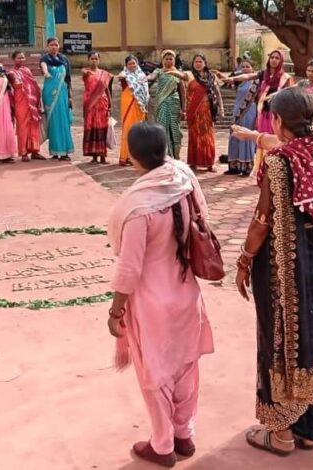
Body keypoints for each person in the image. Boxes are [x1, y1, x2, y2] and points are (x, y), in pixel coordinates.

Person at [107, 121, 214, 467]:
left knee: (155, 376)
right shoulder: (184, 181)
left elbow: (129, 269)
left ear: (134, 156)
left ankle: (163, 444)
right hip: (187, 296)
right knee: (185, 369)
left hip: (152, 304)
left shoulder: (139, 206)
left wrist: (115, 311)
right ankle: (184, 434)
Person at [232, 88, 313, 455]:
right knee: (306, 337)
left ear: (277, 119)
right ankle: (308, 425)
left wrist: (243, 260)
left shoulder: (278, 161)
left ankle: (281, 433)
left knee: (278, 341)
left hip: (280, 266)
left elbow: (262, 220)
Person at [166, 55, 224, 172]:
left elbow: (217, 94)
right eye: (195, 61)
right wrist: (172, 71)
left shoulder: (211, 77)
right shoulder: (189, 74)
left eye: (200, 61)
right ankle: (193, 163)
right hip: (193, 111)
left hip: (207, 112)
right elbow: (181, 75)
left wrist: (221, 108)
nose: (197, 64)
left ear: (205, 63)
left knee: (207, 137)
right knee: (194, 137)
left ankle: (209, 163)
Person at [40, 37, 74, 161]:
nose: (54, 47)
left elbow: (68, 79)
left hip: (63, 94)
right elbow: (43, 67)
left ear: (59, 46)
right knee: (53, 122)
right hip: (50, 94)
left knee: (64, 121)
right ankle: (55, 151)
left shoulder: (64, 60)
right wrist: (46, 73)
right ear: (47, 46)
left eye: (56, 44)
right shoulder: (45, 59)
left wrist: (70, 96)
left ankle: (64, 152)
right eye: (51, 45)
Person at [147, 50, 185, 160]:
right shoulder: (158, 71)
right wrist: (146, 78)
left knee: (174, 130)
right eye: (166, 59)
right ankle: (164, 154)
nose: (168, 61)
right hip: (161, 103)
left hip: (174, 103)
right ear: (162, 60)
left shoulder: (178, 73)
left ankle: (175, 155)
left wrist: (184, 109)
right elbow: (152, 76)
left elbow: (182, 92)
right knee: (162, 128)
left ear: (174, 60)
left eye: (170, 59)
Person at [9, 50, 44, 161]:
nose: (21, 60)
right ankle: (23, 152)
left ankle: (35, 151)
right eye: (19, 58)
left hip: (32, 102)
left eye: (23, 57)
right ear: (13, 59)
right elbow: (15, 84)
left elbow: (33, 84)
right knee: (22, 127)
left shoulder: (27, 70)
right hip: (21, 102)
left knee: (33, 126)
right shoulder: (11, 73)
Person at [225, 60, 258, 176]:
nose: (244, 68)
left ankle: (246, 167)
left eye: (247, 67)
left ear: (252, 69)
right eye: (242, 67)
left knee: (246, 136)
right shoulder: (239, 82)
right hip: (237, 110)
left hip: (249, 111)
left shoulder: (256, 82)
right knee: (234, 135)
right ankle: (234, 166)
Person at [117, 55, 149, 166]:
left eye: (134, 63)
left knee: (138, 131)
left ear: (137, 64)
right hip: (128, 103)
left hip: (139, 106)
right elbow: (120, 76)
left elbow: (145, 93)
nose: (132, 65)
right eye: (129, 64)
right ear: (126, 65)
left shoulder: (142, 76)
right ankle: (125, 156)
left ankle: (135, 157)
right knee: (128, 129)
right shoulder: (125, 75)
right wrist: (124, 75)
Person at [81, 51, 112, 164]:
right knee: (91, 127)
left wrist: (110, 104)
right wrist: (85, 72)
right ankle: (93, 155)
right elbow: (84, 75)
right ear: (88, 60)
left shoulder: (104, 74)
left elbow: (107, 89)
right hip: (90, 104)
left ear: (99, 60)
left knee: (102, 128)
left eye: (96, 59)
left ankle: (102, 155)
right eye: (92, 58)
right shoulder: (86, 72)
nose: (94, 61)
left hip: (102, 104)